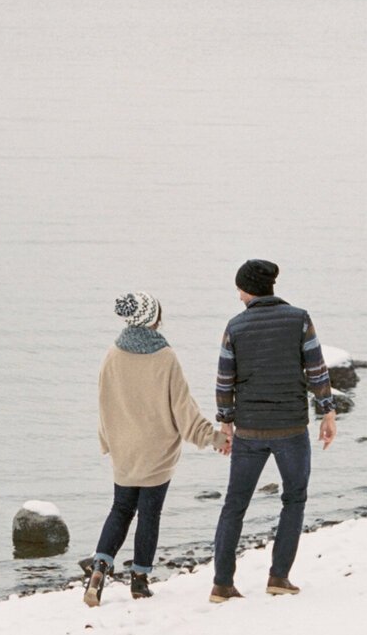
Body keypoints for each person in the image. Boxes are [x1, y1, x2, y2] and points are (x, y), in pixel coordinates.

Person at [85, 291, 227, 607]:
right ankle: (139, 580)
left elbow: (104, 402)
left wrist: (107, 441)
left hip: (124, 448)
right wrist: (212, 437)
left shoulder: (112, 355)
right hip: (157, 451)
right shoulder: (164, 356)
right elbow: (183, 408)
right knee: (149, 512)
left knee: (121, 508)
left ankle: (99, 570)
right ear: (153, 318)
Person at [210, 259, 336, 603]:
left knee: (234, 504)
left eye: (239, 289)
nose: (238, 296)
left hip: (250, 429)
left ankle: (222, 584)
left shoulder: (235, 327)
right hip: (292, 427)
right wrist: (328, 412)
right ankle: (278, 577)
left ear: (249, 288)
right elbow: (316, 368)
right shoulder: (299, 319)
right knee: (293, 500)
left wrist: (226, 423)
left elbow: (225, 379)